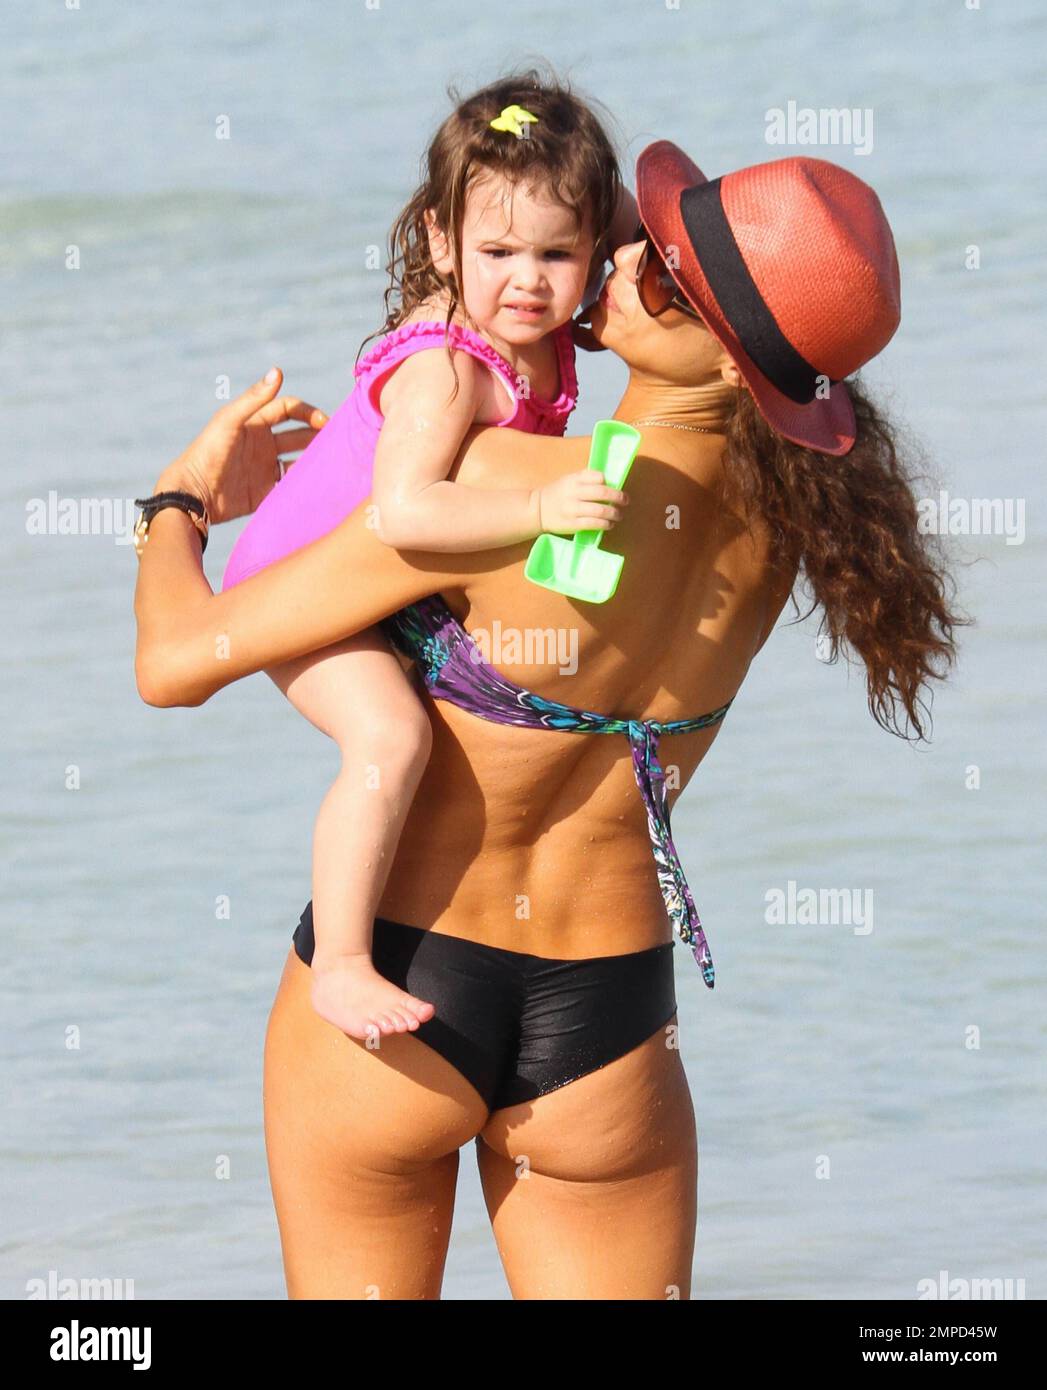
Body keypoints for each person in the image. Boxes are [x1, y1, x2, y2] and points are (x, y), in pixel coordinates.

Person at [132, 143, 964, 1299]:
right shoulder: (790, 541)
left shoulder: (497, 483)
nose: (622, 262)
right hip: (612, 1027)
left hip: (396, 994)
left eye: (659, 273)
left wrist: (178, 502)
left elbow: (176, 662)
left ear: (723, 348)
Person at [220, 72, 638, 1043]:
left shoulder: (537, 326)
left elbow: (627, 213)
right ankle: (345, 962)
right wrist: (538, 507)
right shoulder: (448, 365)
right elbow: (407, 515)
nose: (527, 279)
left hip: (390, 587)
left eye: (557, 253)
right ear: (443, 244)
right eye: (496, 251)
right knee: (393, 739)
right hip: (307, 589)